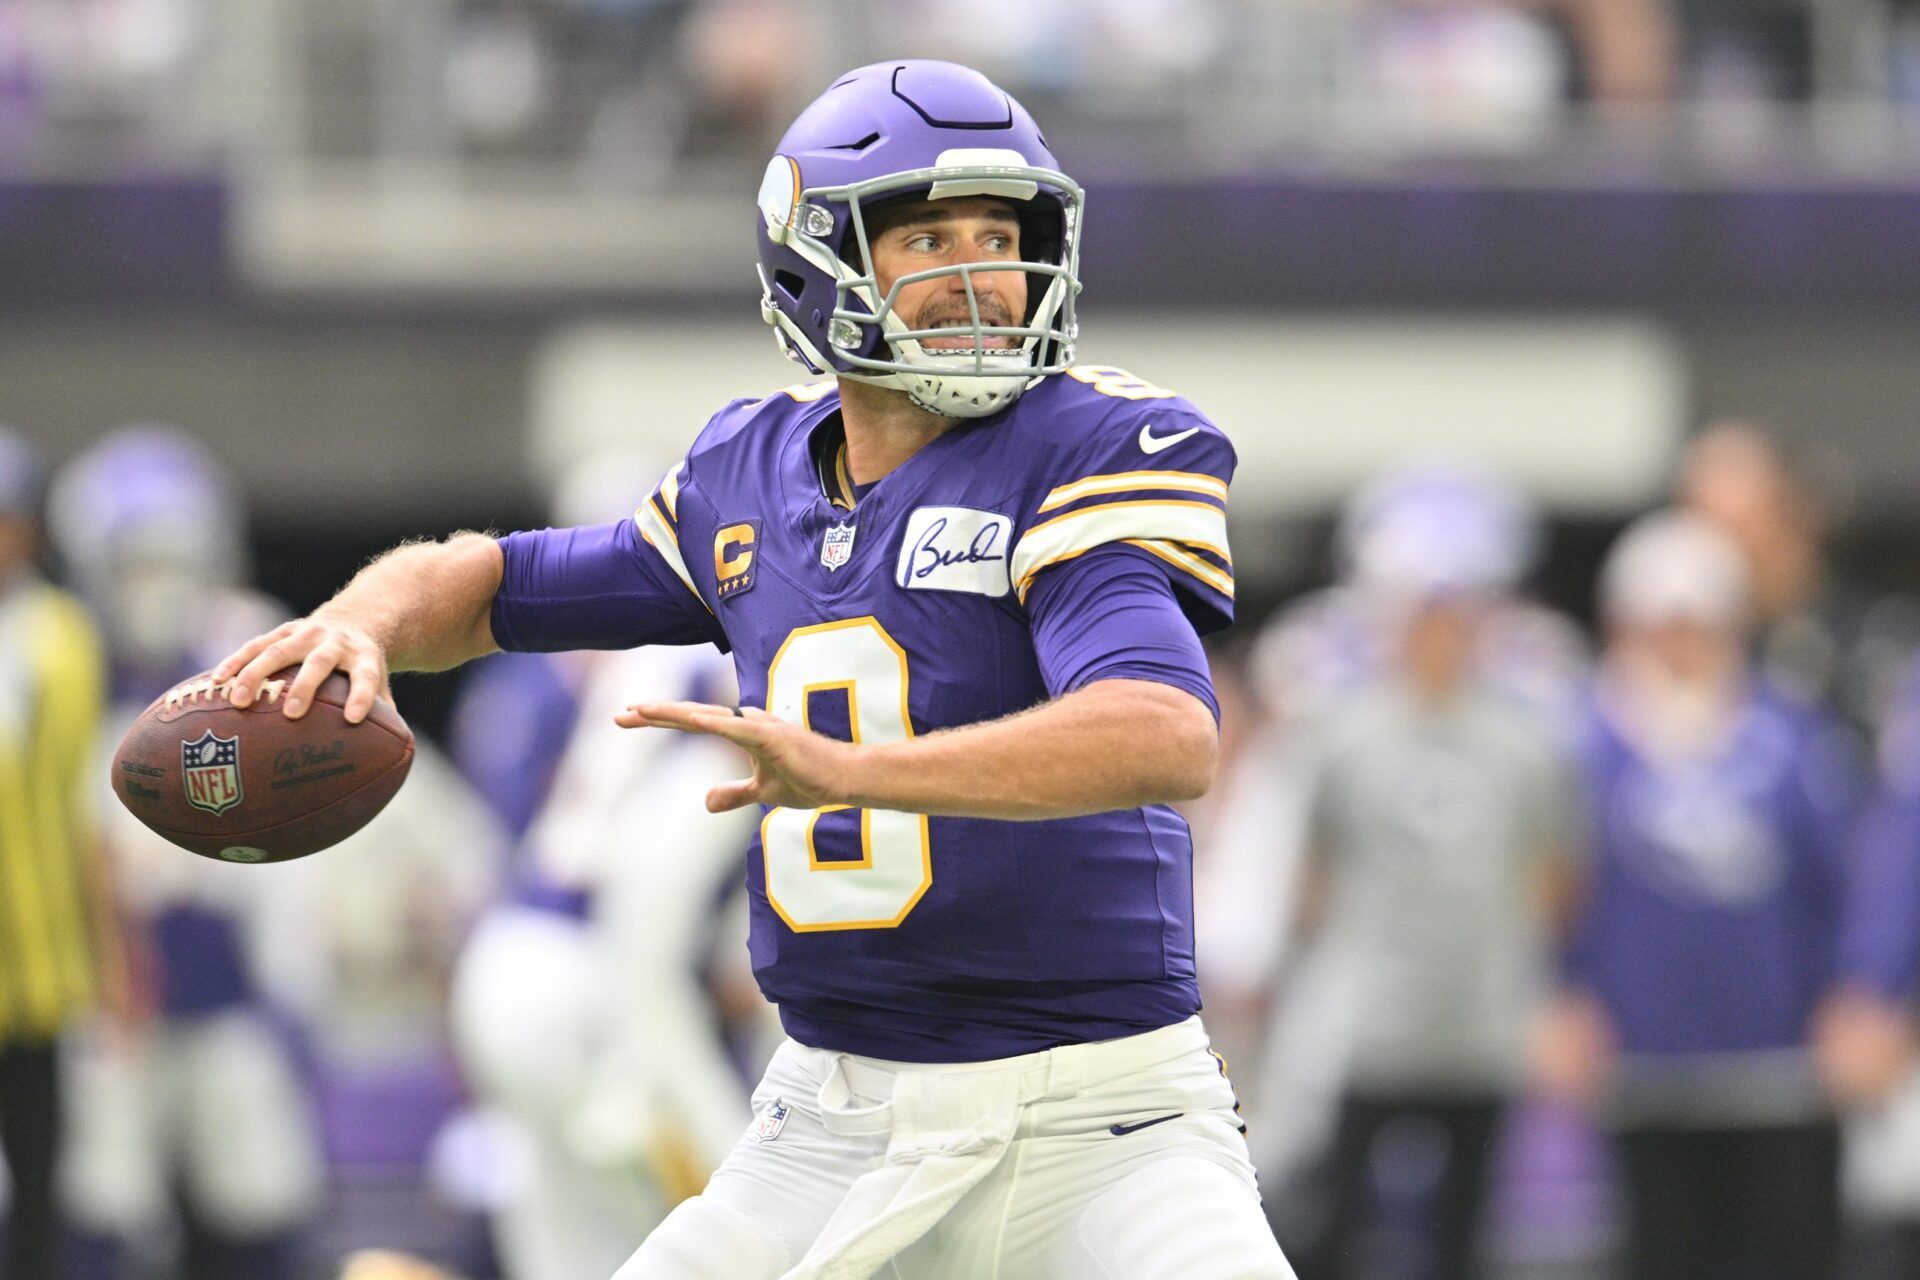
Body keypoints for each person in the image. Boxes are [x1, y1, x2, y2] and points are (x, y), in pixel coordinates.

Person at [213, 58, 1291, 1280]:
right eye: (928, 235)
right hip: (828, 1117)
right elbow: (494, 583)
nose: (981, 272)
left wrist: (858, 768)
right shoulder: (748, 472)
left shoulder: (1086, 444)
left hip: (1109, 1118)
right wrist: (362, 622)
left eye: (1003, 233)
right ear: (817, 258)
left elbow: (1163, 731)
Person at [1534, 510, 1866, 1280]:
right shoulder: (1584, 744)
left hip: (1778, 1067)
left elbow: (1840, 880)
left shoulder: (1792, 740)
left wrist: (1852, 993)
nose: (1680, 646)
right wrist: (1558, 993)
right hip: (1642, 1067)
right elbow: (1551, 885)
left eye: (1698, 624)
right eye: (1662, 625)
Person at [1282, 470, 1585, 1280]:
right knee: (1342, 1224)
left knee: (1465, 1236)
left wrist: (1530, 979)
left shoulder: (1524, 742)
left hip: (1479, 1024)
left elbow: (1555, 874)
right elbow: (1312, 872)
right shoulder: (1347, 734)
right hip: (1373, 1022)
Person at [0, 429, 116, 1280]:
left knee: (45, 1185)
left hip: (41, 969)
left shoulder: (61, 633)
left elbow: (87, 808)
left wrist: (112, 958)